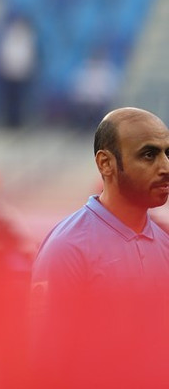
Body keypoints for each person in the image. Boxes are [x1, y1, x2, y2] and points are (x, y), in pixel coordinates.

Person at [30, 107, 169, 385]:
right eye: (148, 155)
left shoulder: (165, 242)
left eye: (167, 153)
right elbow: (44, 361)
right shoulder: (68, 247)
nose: (165, 167)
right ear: (106, 163)